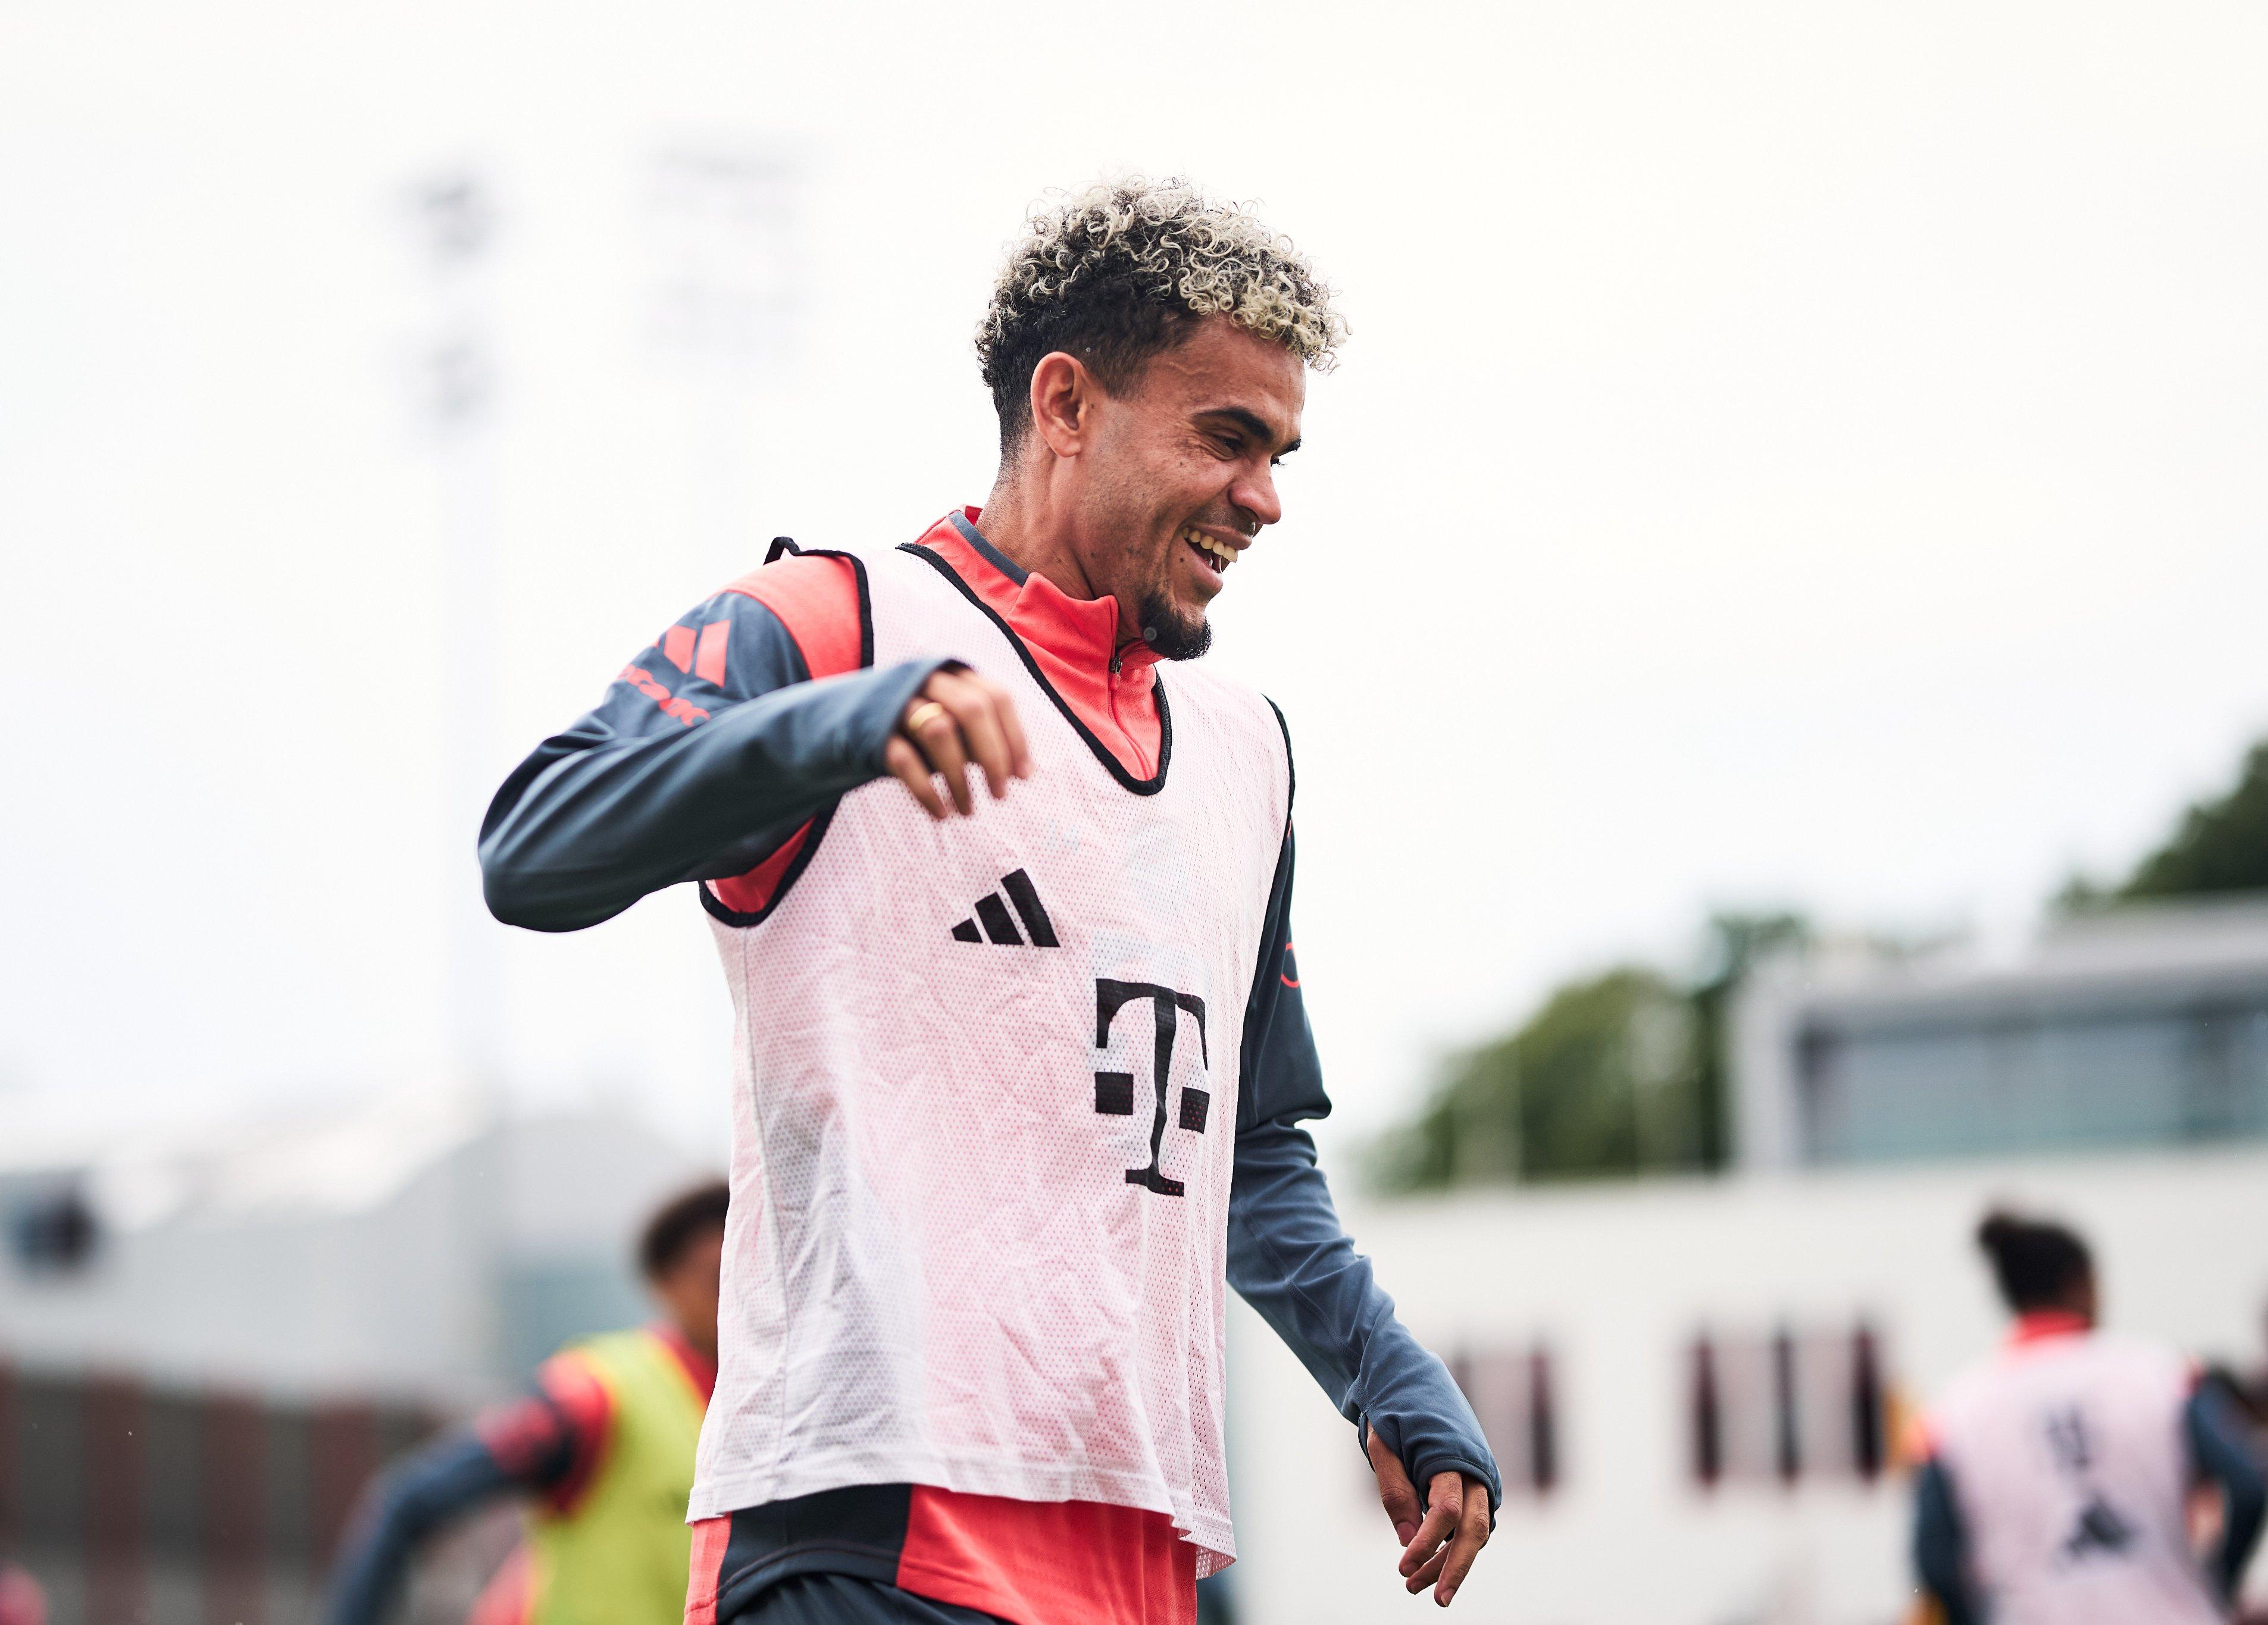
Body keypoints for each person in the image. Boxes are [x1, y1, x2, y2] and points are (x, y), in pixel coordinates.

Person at [478, 177, 1500, 1625]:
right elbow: (532, 845)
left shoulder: (1246, 753)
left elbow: (1242, 1147)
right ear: (1067, 403)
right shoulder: (832, 626)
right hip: (863, 1533)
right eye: (1226, 438)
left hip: (1136, 1556)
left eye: (1278, 454)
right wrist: (831, 729)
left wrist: (1385, 1374)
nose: (1264, 498)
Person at [323, 1181, 727, 1625]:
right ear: (665, 1283)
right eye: (716, 1276)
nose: (738, 1292)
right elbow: (408, 1502)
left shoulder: (776, 1400)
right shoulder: (596, 1394)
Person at [1909, 1210, 2268, 1625]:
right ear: (2080, 1281)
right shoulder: (2162, 1372)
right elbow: (2250, 1483)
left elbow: (1935, 1560)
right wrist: (2217, 1583)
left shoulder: (1954, 1410)